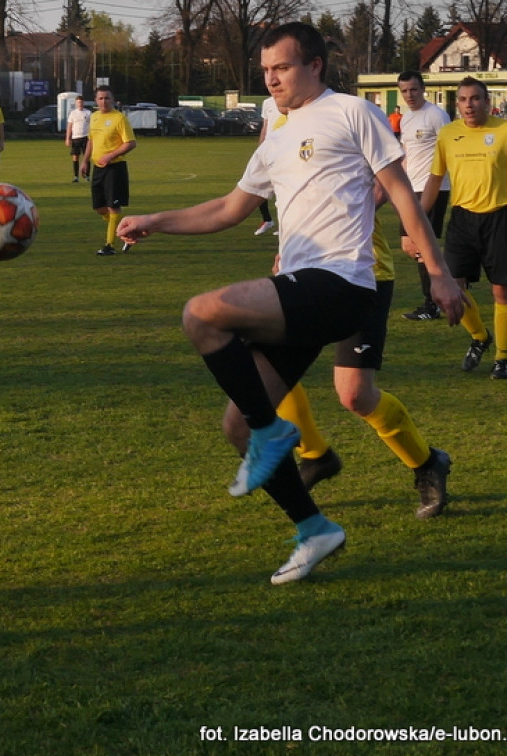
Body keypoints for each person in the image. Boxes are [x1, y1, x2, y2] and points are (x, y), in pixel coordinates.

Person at [117, 22, 463, 584]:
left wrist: (439, 273)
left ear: (315, 66)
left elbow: (401, 192)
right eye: (266, 71)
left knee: (201, 313)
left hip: (346, 282)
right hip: (305, 286)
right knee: (238, 427)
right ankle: (313, 528)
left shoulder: (352, 112)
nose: (271, 80)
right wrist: (155, 221)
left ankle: (286, 435)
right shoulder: (275, 131)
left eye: (281, 68)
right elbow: (230, 209)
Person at [277, 190, 452, 520]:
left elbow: (391, 185)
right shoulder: (277, 135)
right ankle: (315, 455)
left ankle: (427, 463)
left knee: (355, 395)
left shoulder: (363, 134)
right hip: (304, 268)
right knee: (270, 367)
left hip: (362, 273)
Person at [421, 76, 507, 378]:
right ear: (457, 104)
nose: (469, 105)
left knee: (501, 291)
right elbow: (435, 178)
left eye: (475, 98)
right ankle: (481, 337)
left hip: (499, 217)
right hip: (462, 219)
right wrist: (416, 219)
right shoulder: (447, 134)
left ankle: (503, 358)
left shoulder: (503, 130)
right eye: (463, 99)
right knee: (452, 287)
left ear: (487, 102)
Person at [397, 70, 450, 321]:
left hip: (434, 188)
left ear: (423, 89)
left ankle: (432, 303)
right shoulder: (406, 119)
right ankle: (447, 286)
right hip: (410, 189)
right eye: (404, 90)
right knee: (410, 245)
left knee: (420, 244)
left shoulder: (437, 116)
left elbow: (451, 151)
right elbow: (407, 154)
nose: (409, 95)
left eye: (413, 89)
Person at [81, 85, 136, 256]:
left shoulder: (119, 119)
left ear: (113, 100)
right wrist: (85, 161)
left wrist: (110, 156)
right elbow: (91, 141)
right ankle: (124, 231)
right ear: (96, 101)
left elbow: (131, 143)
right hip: (98, 168)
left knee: (113, 207)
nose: (104, 101)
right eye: (100, 98)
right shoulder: (94, 117)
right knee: (99, 207)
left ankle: (109, 245)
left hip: (115, 168)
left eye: (107, 98)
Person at [253, 96, 279, 236]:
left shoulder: (292, 101)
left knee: (282, 191)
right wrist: (259, 150)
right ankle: (267, 220)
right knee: (258, 187)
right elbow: (265, 127)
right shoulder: (267, 103)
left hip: (283, 152)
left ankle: (285, 226)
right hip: (267, 152)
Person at [65, 95, 91, 183]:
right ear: (76, 103)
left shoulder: (88, 113)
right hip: (75, 138)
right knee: (75, 157)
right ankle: (76, 176)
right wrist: (67, 138)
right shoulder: (73, 113)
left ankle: (87, 176)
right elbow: (69, 126)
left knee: (86, 157)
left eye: (81, 102)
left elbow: (92, 126)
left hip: (86, 137)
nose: (80, 104)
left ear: (83, 103)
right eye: (78, 102)